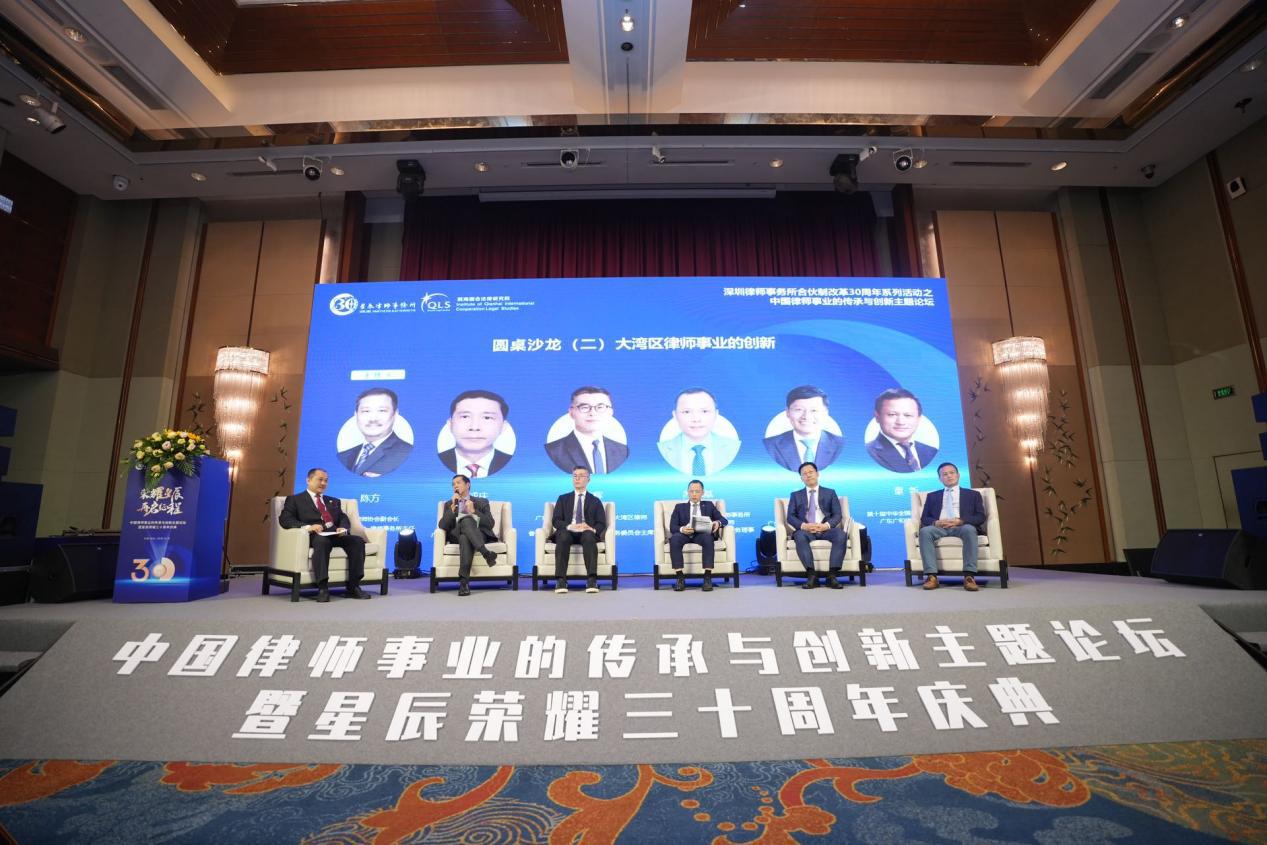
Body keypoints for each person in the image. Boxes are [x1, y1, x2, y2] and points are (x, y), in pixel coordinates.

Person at [278, 468, 370, 602]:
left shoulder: (333, 501)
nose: (323, 483)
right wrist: (308, 527)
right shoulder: (295, 500)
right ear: (308, 480)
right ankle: (323, 588)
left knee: (357, 541)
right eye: (320, 480)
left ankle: (353, 587)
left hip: (335, 534)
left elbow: (343, 517)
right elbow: (285, 520)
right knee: (322, 542)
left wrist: (343, 527)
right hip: (315, 535)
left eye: (326, 481)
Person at [917, 462, 987, 591]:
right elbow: (924, 518)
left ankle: (969, 576)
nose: (949, 476)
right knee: (925, 531)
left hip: (962, 527)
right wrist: (935, 522)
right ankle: (931, 577)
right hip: (940, 528)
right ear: (940, 478)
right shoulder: (932, 496)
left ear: (958, 475)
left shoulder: (973, 495)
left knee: (969, 529)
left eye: (952, 473)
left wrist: (961, 521)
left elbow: (980, 517)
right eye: (944, 474)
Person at [786, 461, 847, 589]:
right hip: (806, 531)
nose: (808, 475)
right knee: (799, 536)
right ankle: (812, 576)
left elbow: (837, 514)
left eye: (811, 472)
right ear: (801, 478)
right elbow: (790, 516)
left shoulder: (830, 493)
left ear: (817, 474)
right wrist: (804, 526)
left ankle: (832, 576)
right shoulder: (795, 495)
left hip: (826, 530)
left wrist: (826, 525)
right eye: (804, 474)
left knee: (841, 535)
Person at [436, 473, 499, 596]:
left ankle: (463, 583)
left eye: (458, 483)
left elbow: (490, 524)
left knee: (465, 532)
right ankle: (486, 553)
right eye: (453, 484)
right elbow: (442, 526)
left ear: (468, 485)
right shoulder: (449, 504)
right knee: (465, 527)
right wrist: (452, 510)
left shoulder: (481, 502)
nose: (455, 486)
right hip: (456, 535)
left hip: (479, 534)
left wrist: (474, 511)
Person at [544, 386, 629, 474]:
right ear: (571, 413)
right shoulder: (552, 451)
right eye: (584, 407)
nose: (592, 413)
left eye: (600, 407)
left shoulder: (623, 451)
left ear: (610, 412)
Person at [657, 388, 741, 475]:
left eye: (704, 411)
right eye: (687, 412)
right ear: (675, 415)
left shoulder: (734, 448)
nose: (696, 419)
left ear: (716, 414)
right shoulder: (661, 450)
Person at [551, 466, 606, 594]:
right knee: (563, 536)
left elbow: (601, 523)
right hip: (568, 530)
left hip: (586, 532)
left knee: (589, 536)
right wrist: (570, 526)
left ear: (588, 479)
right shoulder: (563, 499)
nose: (577, 479)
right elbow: (556, 520)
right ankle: (561, 580)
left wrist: (592, 529)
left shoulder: (595, 501)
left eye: (581, 476)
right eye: (575, 476)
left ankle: (591, 579)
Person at [764, 385, 845, 471]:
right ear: (787, 412)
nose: (806, 416)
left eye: (814, 410)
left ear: (825, 413)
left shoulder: (840, 445)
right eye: (799, 409)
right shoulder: (770, 446)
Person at [666, 479, 728, 592]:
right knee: (674, 539)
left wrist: (717, 523)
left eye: (697, 491)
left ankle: (707, 577)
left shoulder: (709, 505)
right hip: (685, 534)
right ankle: (680, 577)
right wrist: (682, 529)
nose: (694, 494)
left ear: (702, 492)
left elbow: (724, 520)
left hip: (701, 535)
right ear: (687, 492)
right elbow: (672, 527)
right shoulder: (679, 507)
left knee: (708, 538)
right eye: (691, 491)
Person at [337, 387, 412, 477]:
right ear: (356, 415)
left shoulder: (406, 453)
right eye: (366, 411)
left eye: (382, 410)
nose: (373, 419)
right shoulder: (343, 456)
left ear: (395, 414)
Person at [438, 389, 513, 478]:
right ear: (450, 424)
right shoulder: (435, 462)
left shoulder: (513, 464)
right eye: (465, 417)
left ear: (503, 426)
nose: (474, 427)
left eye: (487, 418)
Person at [866, 388, 938, 473]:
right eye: (892, 414)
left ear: (919, 418)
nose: (900, 422)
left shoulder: (931, 451)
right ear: (877, 417)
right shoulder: (870, 453)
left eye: (908, 415)